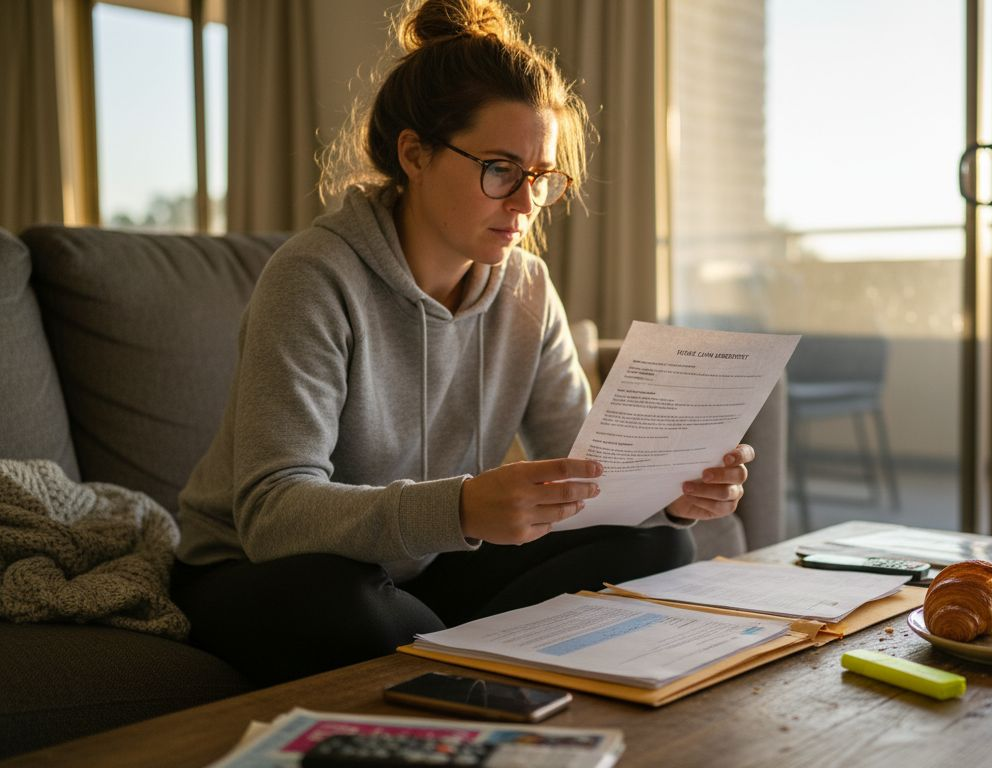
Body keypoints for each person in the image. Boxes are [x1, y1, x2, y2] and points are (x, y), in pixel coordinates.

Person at [171, 0, 756, 686]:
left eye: (541, 177)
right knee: (347, 605)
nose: (524, 203)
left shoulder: (527, 288)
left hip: (422, 567)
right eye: (501, 169)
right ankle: (470, 652)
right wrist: (461, 507)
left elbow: (587, 474)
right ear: (414, 154)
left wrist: (674, 492)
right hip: (257, 570)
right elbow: (272, 513)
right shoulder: (313, 277)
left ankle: (445, 652)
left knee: (660, 542)